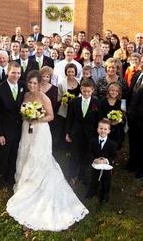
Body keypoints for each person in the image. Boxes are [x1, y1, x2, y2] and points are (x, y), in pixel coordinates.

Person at [6, 70, 88, 232]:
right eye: (30, 83)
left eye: (35, 83)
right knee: (25, 153)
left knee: (38, 157)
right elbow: (22, 112)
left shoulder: (44, 97)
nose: (32, 86)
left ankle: (38, 183)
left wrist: (36, 118)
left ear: (39, 83)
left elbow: (51, 116)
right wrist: (26, 116)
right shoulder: (26, 96)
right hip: (26, 129)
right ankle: (26, 181)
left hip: (40, 131)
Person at [0, 62, 25, 191]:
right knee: (0, 157)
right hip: (4, 130)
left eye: (19, 73)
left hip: (19, 129)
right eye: (13, 72)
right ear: (8, 72)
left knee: (14, 155)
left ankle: (9, 178)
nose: (16, 75)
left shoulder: (23, 86)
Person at [65, 79, 100, 184]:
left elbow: (98, 119)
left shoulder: (96, 102)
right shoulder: (74, 101)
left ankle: (82, 175)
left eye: (88, 91)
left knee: (86, 156)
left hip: (90, 134)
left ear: (92, 90)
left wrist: (97, 135)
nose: (86, 93)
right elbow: (69, 118)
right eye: (84, 91)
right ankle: (71, 174)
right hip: (76, 133)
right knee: (74, 154)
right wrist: (67, 133)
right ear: (81, 89)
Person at [85, 119, 117, 203]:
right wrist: (95, 159)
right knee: (93, 179)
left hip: (106, 167)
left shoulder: (112, 144)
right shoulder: (92, 141)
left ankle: (104, 195)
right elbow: (89, 153)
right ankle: (92, 191)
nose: (103, 130)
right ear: (97, 129)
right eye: (101, 128)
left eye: (105, 129)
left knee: (106, 181)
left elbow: (113, 156)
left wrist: (106, 160)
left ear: (109, 131)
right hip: (95, 165)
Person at [100, 83, 125, 150]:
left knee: (114, 146)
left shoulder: (120, 102)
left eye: (116, 91)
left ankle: (112, 158)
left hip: (117, 129)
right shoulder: (103, 101)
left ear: (119, 92)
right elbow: (100, 114)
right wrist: (108, 121)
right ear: (108, 91)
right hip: (104, 127)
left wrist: (118, 120)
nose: (114, 92)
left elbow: (123, 116)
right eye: (112, 90)